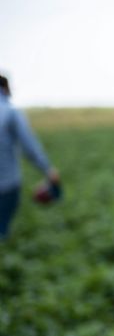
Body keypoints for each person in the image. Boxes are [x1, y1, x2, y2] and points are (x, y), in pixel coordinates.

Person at [0, 73, 60, 241]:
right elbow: (29, 147)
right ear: (5, 88)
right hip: (5, 185)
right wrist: (48, 170)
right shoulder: (10, 113)